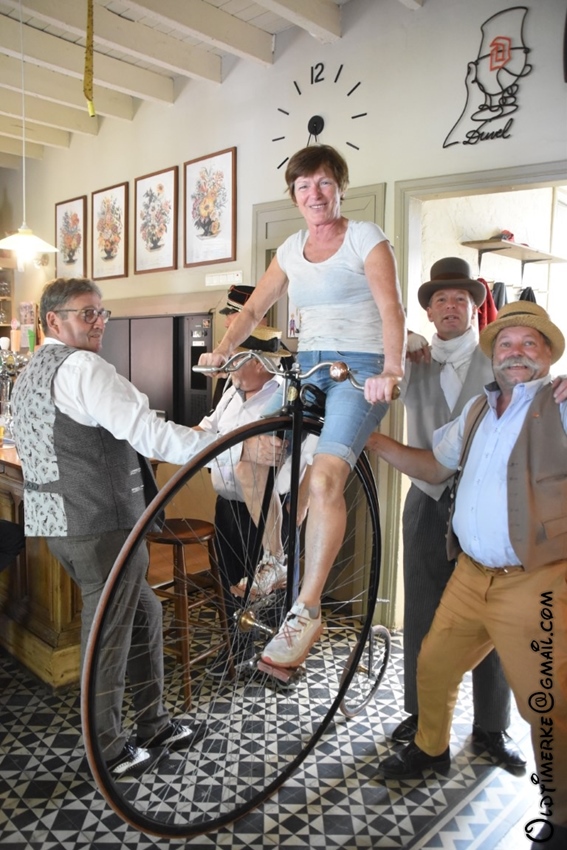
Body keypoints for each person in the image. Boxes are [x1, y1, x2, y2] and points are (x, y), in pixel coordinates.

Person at [10, 277, 279, 779]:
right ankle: (107, 749)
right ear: (52, 320)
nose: (99, 322)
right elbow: (148, 434)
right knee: (108, 636)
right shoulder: (83, 368)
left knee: (145, 613)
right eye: (86, 313)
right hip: (101, 525)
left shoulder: (32, 370)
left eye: (101, 313)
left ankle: (153, 724)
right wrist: (238, 447)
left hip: (59, 526)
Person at [368, 301, 567, 849]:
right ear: (493, 355)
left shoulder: (560, 405)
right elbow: (434, 466)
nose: (516, 353)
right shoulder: (479, 409)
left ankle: (562, 813)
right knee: (433, 665)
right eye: (506, 344)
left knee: (547, 705)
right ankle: (431, 749)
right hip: (470, 574)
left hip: (535, 583)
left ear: (548, 355)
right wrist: (372, 442)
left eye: (529, 344)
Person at [199, 143, 406, 670]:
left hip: (358, 371)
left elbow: (391, 308)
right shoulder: (292, 249)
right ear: (294, 195)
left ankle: (306, 611)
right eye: (304, 186)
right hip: (309, 366)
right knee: (260, 461)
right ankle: (274, 558)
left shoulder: (365, 238)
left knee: (325, 478)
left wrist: (391, 370)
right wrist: (223, 351)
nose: (315, 194)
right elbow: (252, 310)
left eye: (324, 183)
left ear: (340, 188)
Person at [391, 256, 524, 770]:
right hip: (425, 500)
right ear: (428, 311)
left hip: (487, 507)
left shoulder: (500, 361)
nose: (450, 306)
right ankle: (423, 719)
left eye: (460, 299)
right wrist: (396, 337)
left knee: (495, 618)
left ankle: (492, 726)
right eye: (441, 299)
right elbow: (364, 366)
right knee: (422, 612)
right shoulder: (410, 360)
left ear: (473, 309)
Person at [196, 325, 315, 675]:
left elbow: (313, 452)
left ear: (259, 362)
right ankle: (238, 651)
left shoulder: (287, 395)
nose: (229, 365)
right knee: (234, 586)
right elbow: (206, 430)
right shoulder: (230, 393)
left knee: (279, 594)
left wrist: (302, 506)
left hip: (270, 509)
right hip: (228, 505)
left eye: (236, 358)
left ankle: (284, 663)